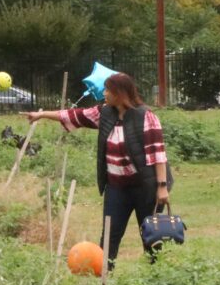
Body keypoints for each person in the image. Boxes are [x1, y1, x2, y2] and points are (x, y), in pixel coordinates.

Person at [24, 73, 170, 268]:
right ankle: (104, 280)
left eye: (108, 89)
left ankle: (155, 279)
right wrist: (41, 115)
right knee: (109, 236)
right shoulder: (104, 113)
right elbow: (74, 115)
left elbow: (157, 154)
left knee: (150, 236)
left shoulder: (146, 117)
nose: (104, 93)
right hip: (116, 188)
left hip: (146, 187)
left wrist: (161, 187)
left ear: (120, 93)